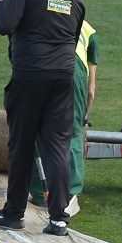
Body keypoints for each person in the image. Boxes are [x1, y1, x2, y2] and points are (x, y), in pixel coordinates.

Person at [0, 0, 85, 237]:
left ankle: (14, 212)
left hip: (29, 77)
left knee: (22, 144)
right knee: (58, 147)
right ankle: (58, 218)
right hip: (63, 79)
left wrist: (0, 5)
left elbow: (5, 25)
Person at [29, 19, 98, 212]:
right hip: (72, 71)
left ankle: (39, 193)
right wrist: (83, 117)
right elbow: (91, 90)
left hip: (39, 67)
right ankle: (70, 194)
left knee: (37, 129)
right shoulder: (88, 31)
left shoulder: (40, 14)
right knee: (72, 132)